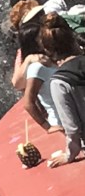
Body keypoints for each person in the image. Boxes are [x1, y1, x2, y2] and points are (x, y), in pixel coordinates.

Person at [35, 12, 85, 166]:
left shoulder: (59, 82)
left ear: (47, 50)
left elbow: (72, 127)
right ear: (72, 37)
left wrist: (69, 155)